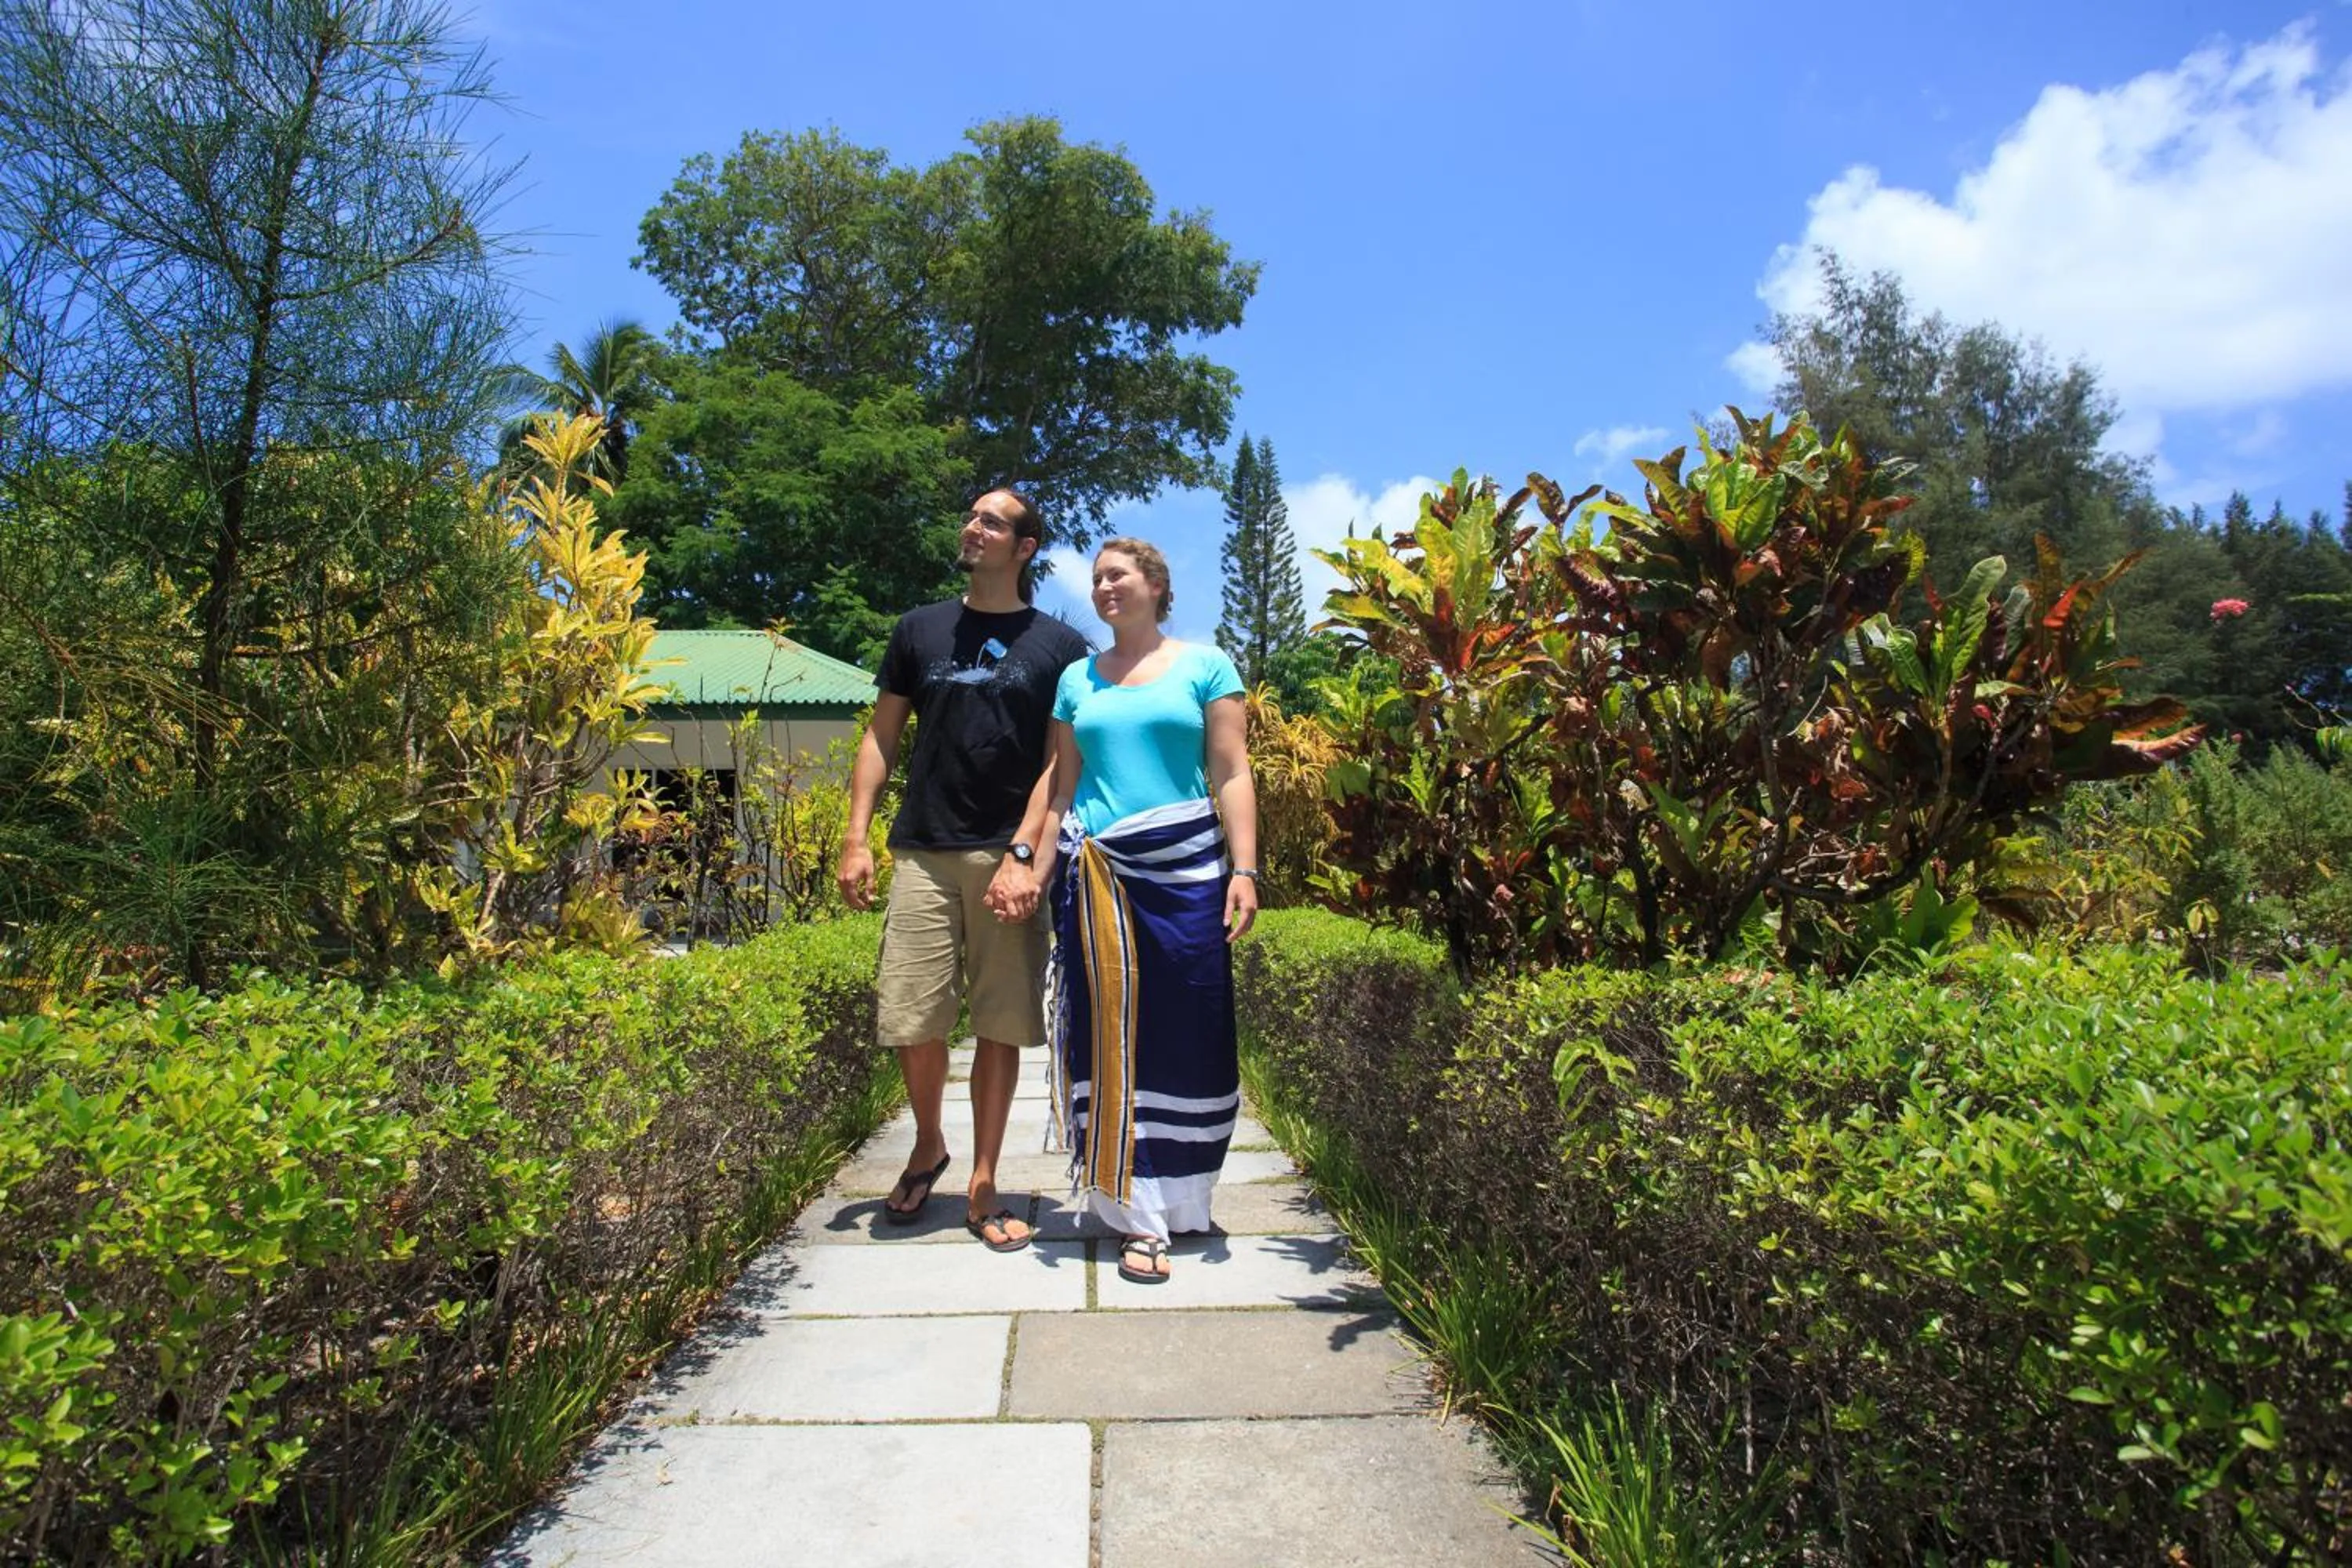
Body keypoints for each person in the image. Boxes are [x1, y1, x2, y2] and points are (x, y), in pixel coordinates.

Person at [836, 488, 1091, 1252]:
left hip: (1003, 853)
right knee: (912, 1013)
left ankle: (982, 1178)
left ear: (1026, 546)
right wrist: (857, 835)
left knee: (1000, 1023)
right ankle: (926, 1143)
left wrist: (1024, 852)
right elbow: (880, 738)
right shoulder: (918, 629)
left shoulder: (1058, 645)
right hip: (921, 846)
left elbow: (1058, 759)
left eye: (993, 522)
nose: (972, 528)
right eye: (971, 516)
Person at [1000, 537, 1260, 1284]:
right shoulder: (1077, 681)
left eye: (1117, 575)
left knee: (1196, 1028)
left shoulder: (1207, 666)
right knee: (1108, 1035)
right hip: (1099, 876)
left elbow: (1231, 770)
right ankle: (1134, 1215)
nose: (1104, 587)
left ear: (1155, 583)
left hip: (1188, 870)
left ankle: (1183, 1199)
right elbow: (1060, 788)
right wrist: (1027, 867)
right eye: (1097, 579)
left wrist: (1244, 868)